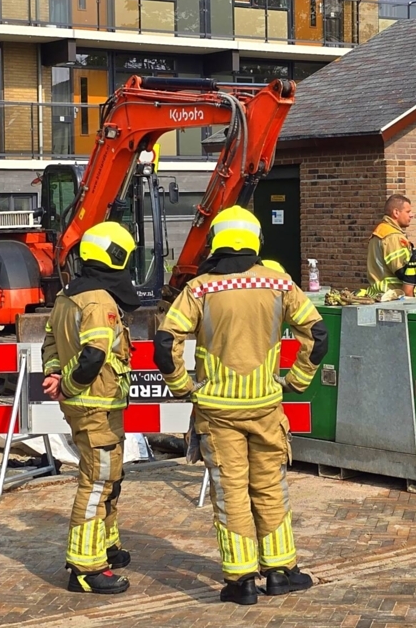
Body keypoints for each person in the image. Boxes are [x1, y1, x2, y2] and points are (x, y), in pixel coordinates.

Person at [154, 206, 329, 605]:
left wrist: (183, 387)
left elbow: (165, 345)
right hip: (266, 406)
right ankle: (281, 571)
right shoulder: (280, 283)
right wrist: (297, 380)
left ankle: (242, 581)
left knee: (231, 492)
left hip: (217, 411)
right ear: (255, 240)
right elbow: (317, 334)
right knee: (270, 488)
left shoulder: (198, 289)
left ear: (217, 240)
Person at [41, 221, 141, 595]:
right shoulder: (99, 300)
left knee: (110, 477)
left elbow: (50, 343)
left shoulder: (68, 297)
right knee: (97, 483)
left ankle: (107, 546)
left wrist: (55, 376)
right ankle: (85, 568)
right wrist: (67, 384)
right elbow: (94, 356)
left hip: (91, 406)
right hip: (95, 405)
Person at [365, 194, 413, 296]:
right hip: (393, 294)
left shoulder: (381, 231)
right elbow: (401, 271)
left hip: (381, 293)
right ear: (396, 212)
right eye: (408, 212)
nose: (411, 215)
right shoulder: (393, 236)